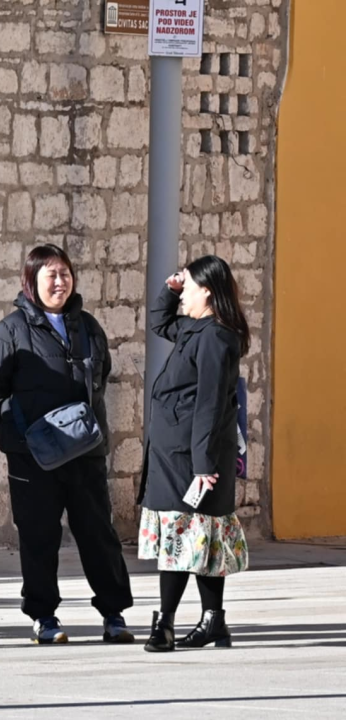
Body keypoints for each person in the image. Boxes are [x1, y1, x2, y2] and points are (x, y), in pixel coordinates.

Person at [0, 243, 134, 645]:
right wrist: (22, 436)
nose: (60, 282)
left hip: (85, 453)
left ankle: (113, 612)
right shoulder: (8, 332)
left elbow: (101, 378)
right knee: (39, 536)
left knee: (98, 533)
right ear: (31, 282)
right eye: (51, 276)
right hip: (34, 460)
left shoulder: (89, 327)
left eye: (65, 274)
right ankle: (43, 616)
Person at [140, 256, 251, 652]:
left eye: (187, 286)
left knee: (181, 537)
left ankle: (164, 624)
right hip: (178, 451)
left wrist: (203, 465)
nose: (182, 292)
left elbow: (210, 404)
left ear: (207, 290)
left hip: (193, 456)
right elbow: (159, 322)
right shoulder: (196, 329)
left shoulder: (216, 338)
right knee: (200, 537)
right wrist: (169, 290)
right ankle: (214, 622)